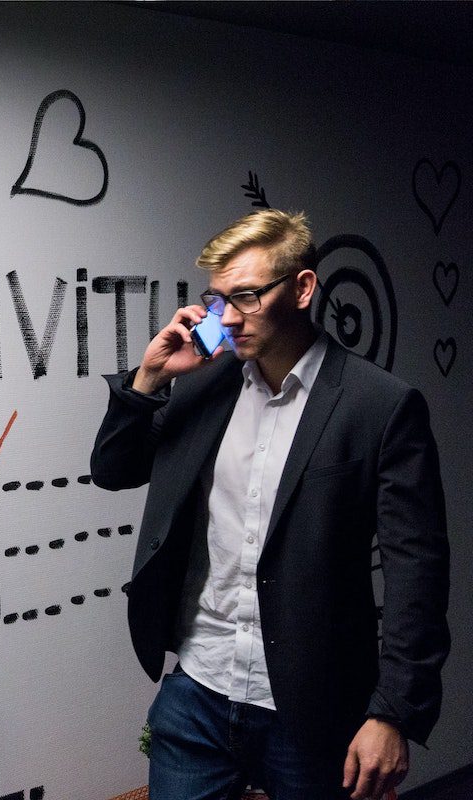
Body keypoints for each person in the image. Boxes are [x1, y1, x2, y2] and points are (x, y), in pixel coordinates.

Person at [90, 210, 449, 800]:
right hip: (198, 692)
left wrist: (394, 713)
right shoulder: (205, 382)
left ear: (303, 289)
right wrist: (150, 377)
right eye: (219, 298)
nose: (228, 317)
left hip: (312, 704)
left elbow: (419, 573)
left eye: (248, 297)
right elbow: (113, 469)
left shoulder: (380, 405)